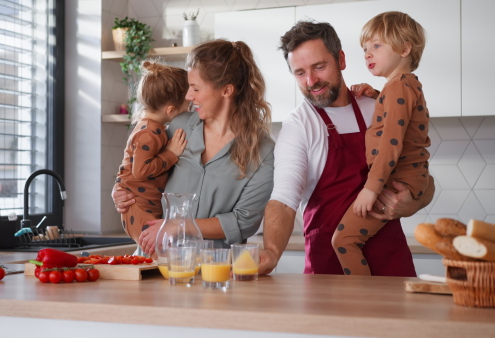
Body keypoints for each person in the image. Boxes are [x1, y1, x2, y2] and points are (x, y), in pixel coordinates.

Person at [258, 21, 435, 277]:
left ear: (341, 59)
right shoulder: (298, 126)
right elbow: (284, 201)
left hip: (391, 263)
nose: (311, 81)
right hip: (330, 270)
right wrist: (272, 251)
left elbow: (420, 172)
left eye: (319, 67)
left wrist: (415, 202)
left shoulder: (377, 105)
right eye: (300, 72)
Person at [113, 39, 275, 254]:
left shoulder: (262, 150)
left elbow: (244, 222)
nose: (188, 96)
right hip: (155, 261)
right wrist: (121, 191)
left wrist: (179, 226)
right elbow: (143, 173)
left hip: (214, 272)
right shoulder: (178, 126)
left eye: (195, 88)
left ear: (226, 91)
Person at [332, 12, 431, 275]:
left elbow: (391, 142)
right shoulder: (403, 86)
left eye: (376, 46)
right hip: (409, 177)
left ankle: (362, 306)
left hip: (393, 180)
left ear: (405, 48)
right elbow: (401, 115)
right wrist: (376, 94)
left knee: (343, 240)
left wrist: (370, 189)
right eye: (365, 49)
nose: (367, 54)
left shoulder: (398, 87)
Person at [115, 61, 189, 248]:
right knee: (160, 252)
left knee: (163, 253)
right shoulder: (149, 132)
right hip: (137, 206)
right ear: (171, 110)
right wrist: (171, 154)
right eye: (187, 107)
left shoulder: (154, 128)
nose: (189, 111)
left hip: (143, 204)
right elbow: (140, 171)